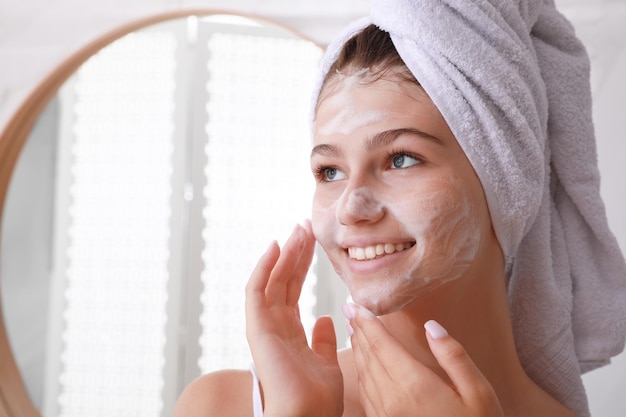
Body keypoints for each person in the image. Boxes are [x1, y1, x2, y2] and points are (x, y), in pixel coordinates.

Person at [173, 1, 626, 416]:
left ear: (505, 179)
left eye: (401, 159)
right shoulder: (224, 405)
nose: (352, 207)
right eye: (329, 171)